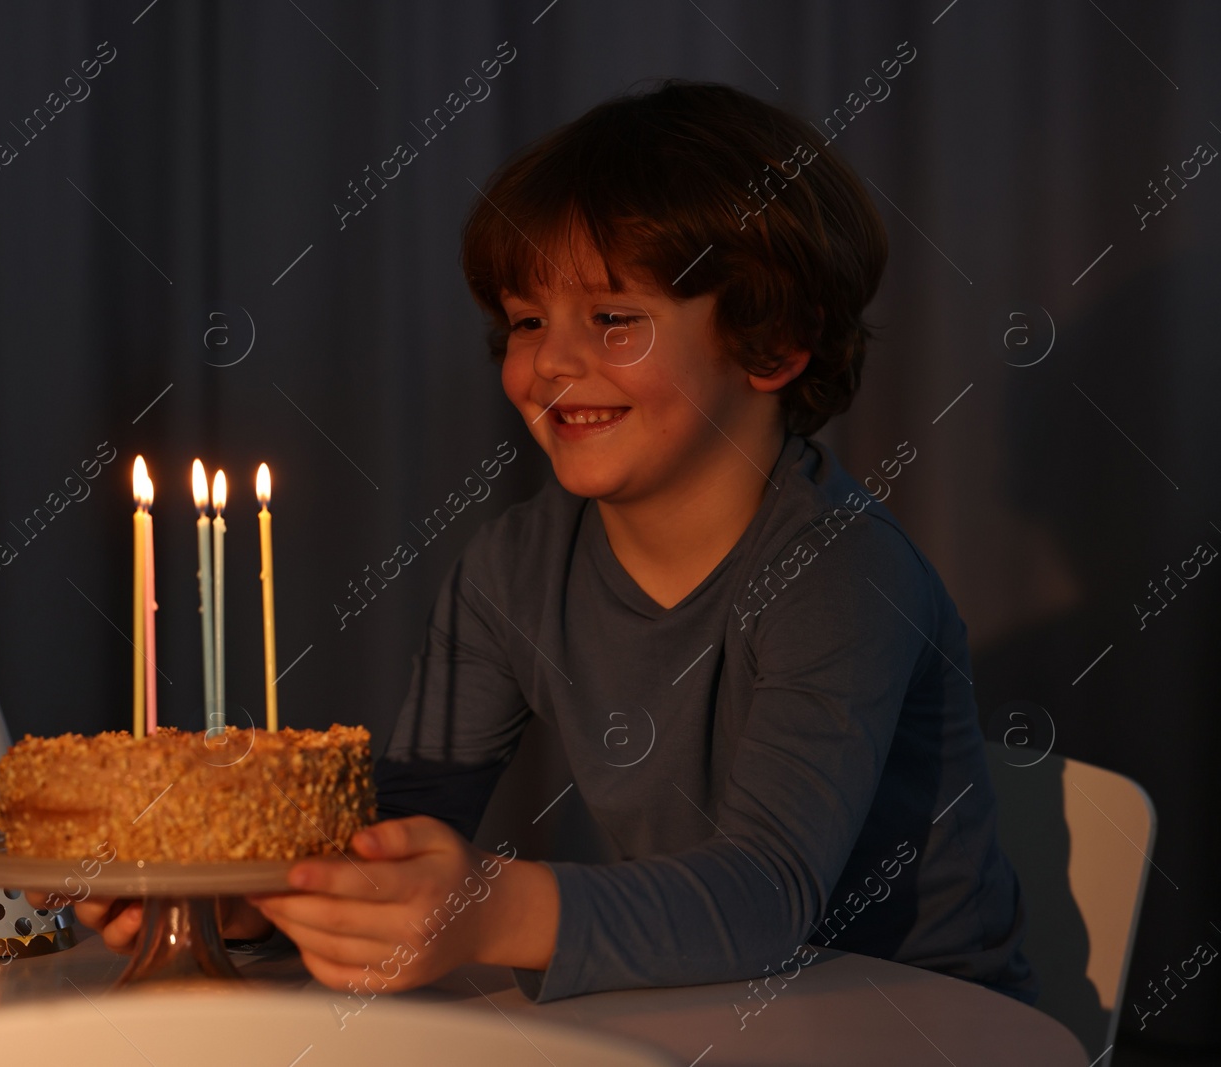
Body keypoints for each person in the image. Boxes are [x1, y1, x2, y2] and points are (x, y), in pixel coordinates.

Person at [51, 79, 1038, 1005]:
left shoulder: (843, 570)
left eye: (612, 319)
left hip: (918, 1021)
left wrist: (494, 907)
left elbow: (765, 896)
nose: (550, 363)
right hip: (702, 1005)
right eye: (527, 320)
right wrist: (252, 898)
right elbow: (405, 831)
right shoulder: (510, 567)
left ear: (775, 341)